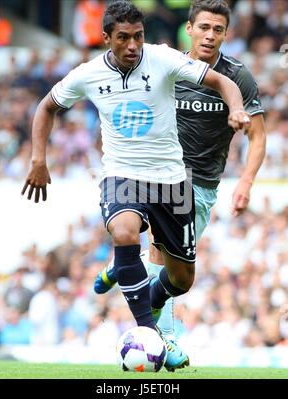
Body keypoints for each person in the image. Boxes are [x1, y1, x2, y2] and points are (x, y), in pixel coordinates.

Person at [22, 0, 250, 371]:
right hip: (122, 174)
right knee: (125, 232)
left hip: (172, 181)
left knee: (182, 279)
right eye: (124, 38)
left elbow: (220, 80)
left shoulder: (161, 58)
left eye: (138, 37)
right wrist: (38, 159)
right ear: (107, 37)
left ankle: (130, 278)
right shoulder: (88, 73)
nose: (132, 46)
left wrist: (235, 108)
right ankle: (150, 332)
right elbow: (47, 106)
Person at [93, 0, 266, 363]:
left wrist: (246, 182)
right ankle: (163, 339)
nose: (210, 35)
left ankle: (126, 264)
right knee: (160, 254)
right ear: (189, 28)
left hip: (201, 183)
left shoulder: (237, 77)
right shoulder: (167, 67)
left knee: (177, 272)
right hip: (160, 174)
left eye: (218, 29)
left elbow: (258, 135)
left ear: (225, 34)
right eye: (204, 27)